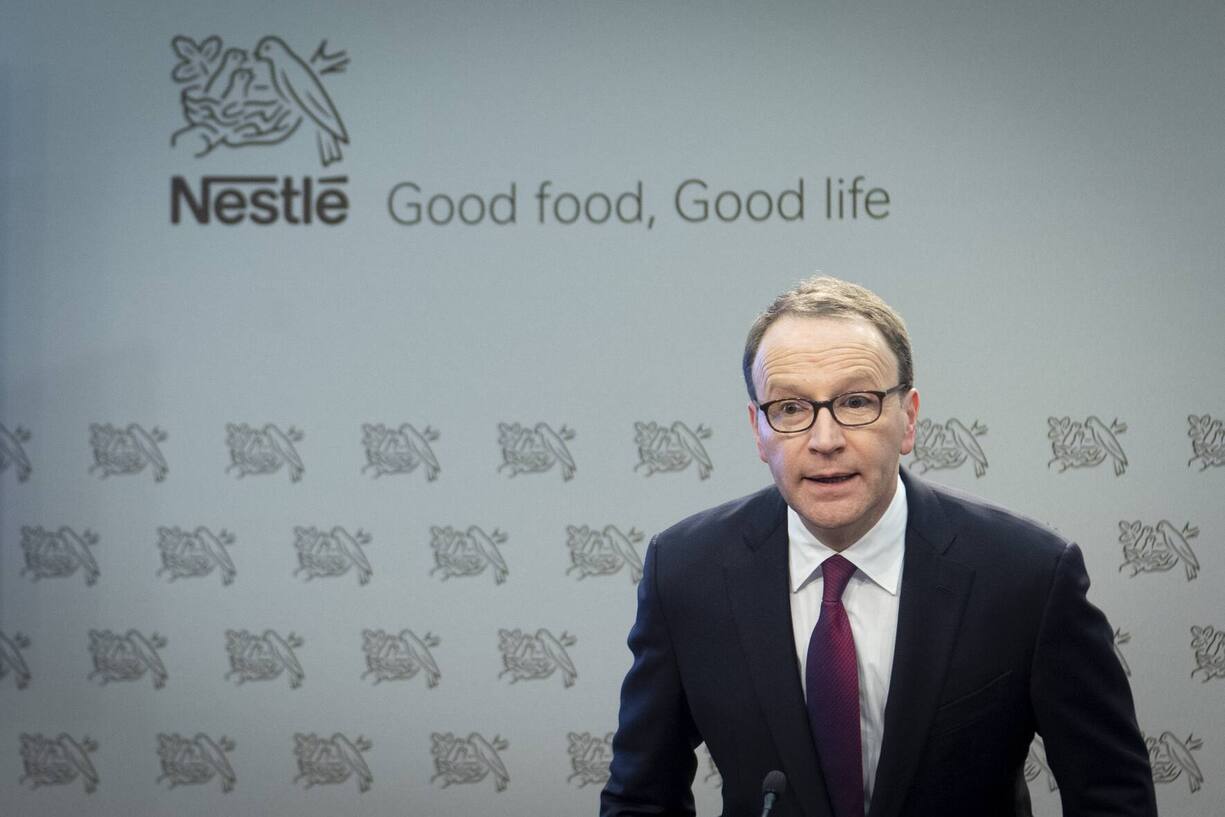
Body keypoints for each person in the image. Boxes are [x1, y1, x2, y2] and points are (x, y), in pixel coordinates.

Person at [600, 276, 1156, 817]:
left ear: (908, 418)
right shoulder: (685, 573)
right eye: (790, 409)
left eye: (857, 402)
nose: (825, 440)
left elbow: (1112, 795)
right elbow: (640, 798)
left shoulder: (1028, 576)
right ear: (757, 429)